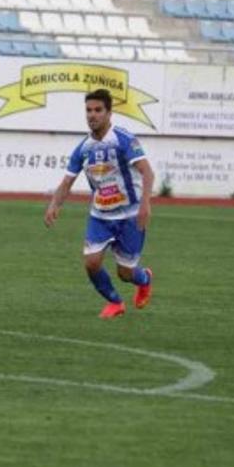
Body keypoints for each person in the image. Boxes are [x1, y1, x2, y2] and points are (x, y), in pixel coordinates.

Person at [44, 89, 155, 319]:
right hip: (101, 215)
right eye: (88, 110)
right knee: (91, 263)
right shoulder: (83, 148)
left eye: (97, 110)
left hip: (129, 216)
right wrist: (54, 204)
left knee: (125, 273)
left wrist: (145, 204)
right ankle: (115, 302)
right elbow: (67, 181)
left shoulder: (123, 139)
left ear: (109, 113)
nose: (92, 115)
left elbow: (147, 172)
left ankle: (145, 279)